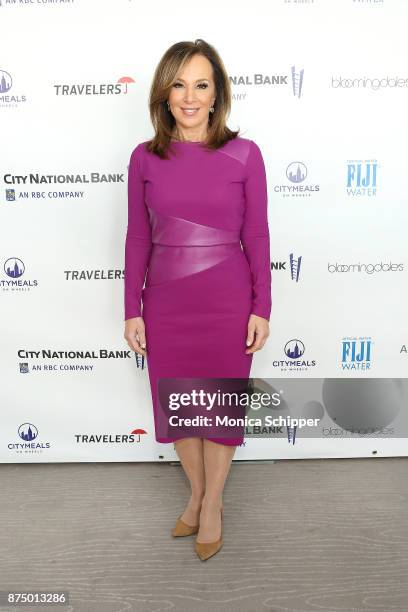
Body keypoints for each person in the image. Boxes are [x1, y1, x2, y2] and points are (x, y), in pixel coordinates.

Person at [124, 39, 271, 561]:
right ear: (164, 95)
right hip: (166, 304)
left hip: (228, 302)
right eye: (179, 84)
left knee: (220, 411)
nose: (189, 96)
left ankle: (212, 507)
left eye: (201, 85)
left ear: (217, 94)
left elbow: (258, 236)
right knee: (182, 409)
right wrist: (131, 309)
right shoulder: (144, 158)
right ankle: (197, 493)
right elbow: (137, 238)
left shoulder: (245, 154)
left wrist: (262, 306)